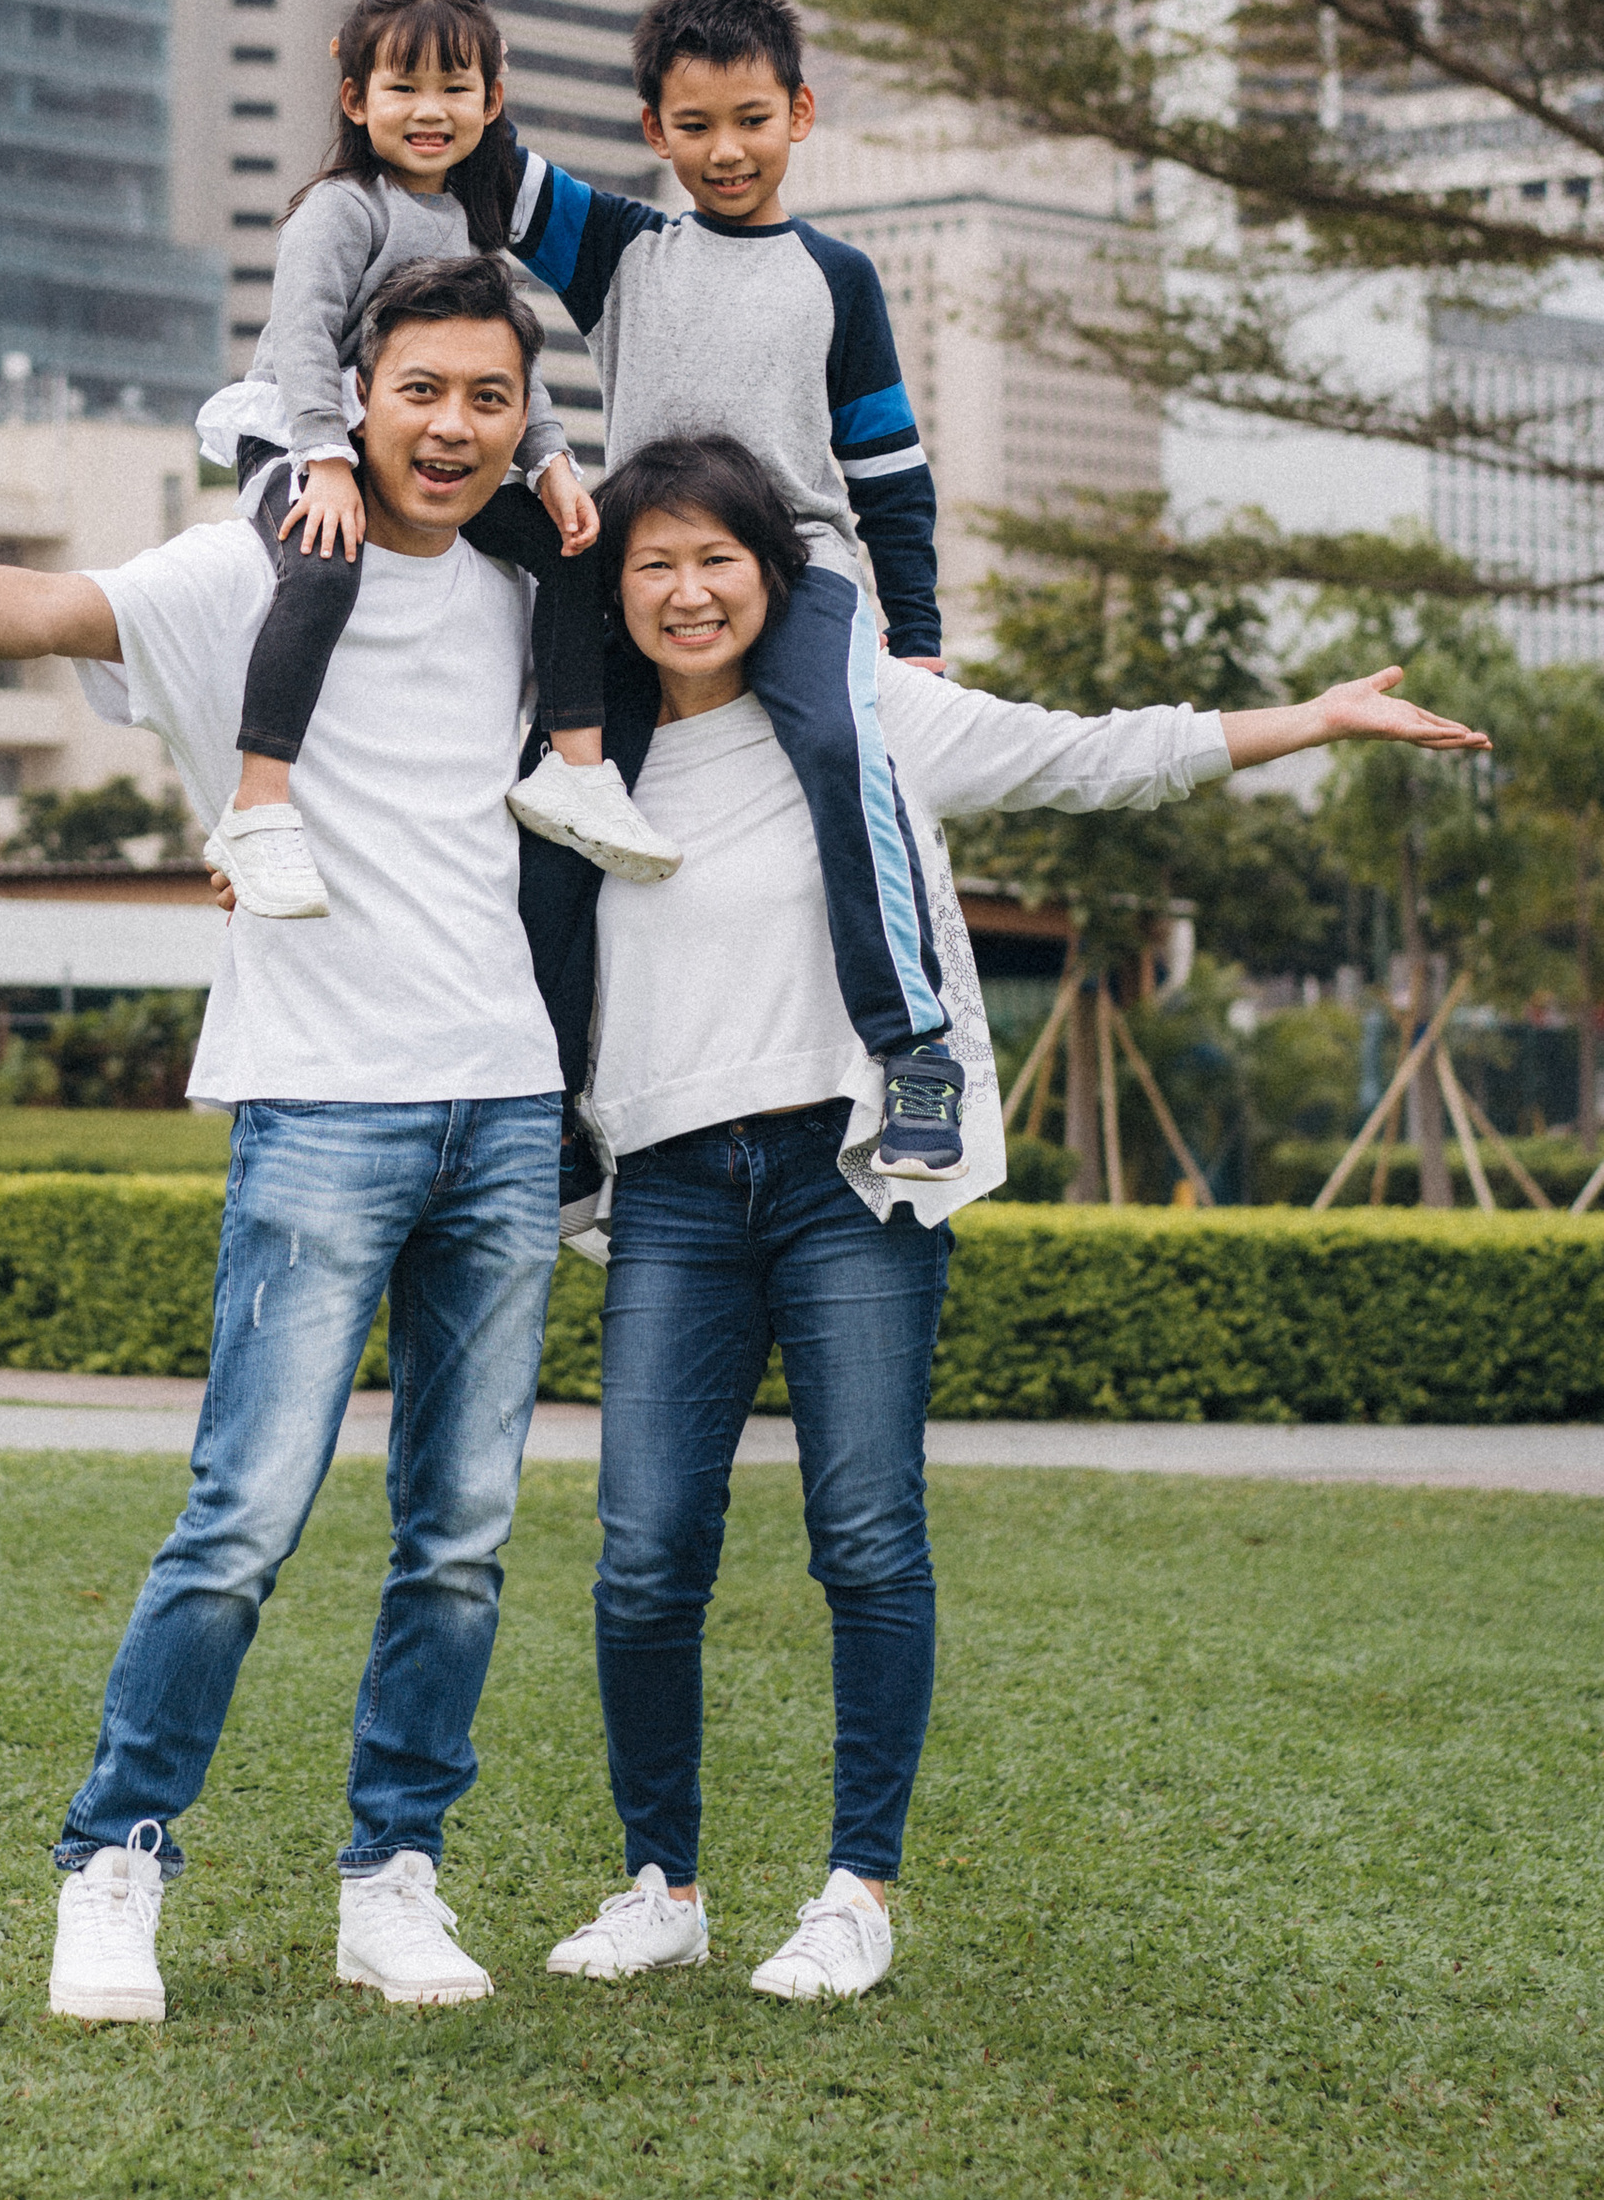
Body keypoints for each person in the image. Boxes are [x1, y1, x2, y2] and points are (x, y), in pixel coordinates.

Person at [0, 253, 574, 2030]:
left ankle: (394, 1881)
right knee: (241, 1518)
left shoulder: (530, 592)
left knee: (460, 1533)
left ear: (522, 417)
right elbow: (46, 606)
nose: (452, 428)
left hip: (505, 1101)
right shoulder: (267, 560)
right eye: (421, 392)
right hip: (321, 1101)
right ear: (355, 404)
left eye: (489, 398)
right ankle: (115, 1867)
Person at [528, 429, 1491, 2002]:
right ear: (613, 589)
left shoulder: (867, 705)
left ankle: (855, 1891)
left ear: (773, 569)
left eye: (719, 559)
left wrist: (1309, 720)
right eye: (654, 564)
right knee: (643, 1553)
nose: (689, 592)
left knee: (865, 1535)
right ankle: (663, 1883)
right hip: (676, 1188)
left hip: (857, 1171)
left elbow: (1084, 753)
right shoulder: (576, 756)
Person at [420, 0, 966, 1183]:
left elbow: (888, 474)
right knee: (556, 818)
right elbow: (489, 168)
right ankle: (551, 1114)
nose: (727, 152)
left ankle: (916, 1050)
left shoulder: (840, 279)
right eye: (697, 128)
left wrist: (924, 637)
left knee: (845, 753)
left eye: (753, 123)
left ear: (801, 115)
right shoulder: (626, 251)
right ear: (656, 131)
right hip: (634, 574)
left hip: (797, 572)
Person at [197, 0, 676, 919]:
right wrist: (326, 461)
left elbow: (504, 357)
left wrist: (549, 462)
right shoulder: (343, 208)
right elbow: (299, 336)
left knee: (572, 544)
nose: (430, 111)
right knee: (325, 567)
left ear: (491, 104)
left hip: (407, 444)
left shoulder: (467, 218)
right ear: (355, 100)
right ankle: (258, 803)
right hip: (303, 435)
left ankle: (575, 766)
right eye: (403, 89)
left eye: (455, 90)